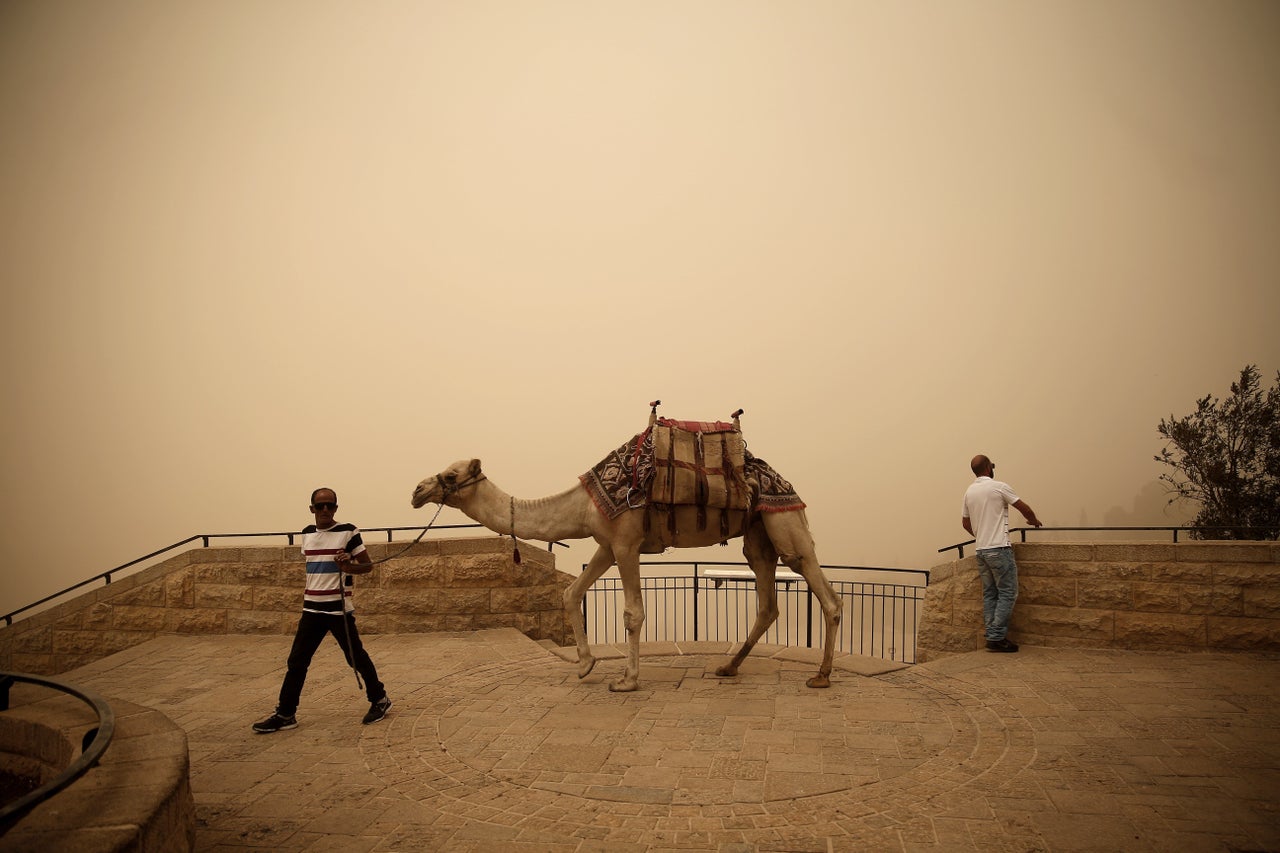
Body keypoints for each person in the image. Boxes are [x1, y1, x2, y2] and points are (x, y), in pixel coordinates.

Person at [253, 488, 391, 732]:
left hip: (338, 610)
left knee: (355, 658)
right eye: (320, 506)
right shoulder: (306, 534)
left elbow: (367, 566)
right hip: (311, 610)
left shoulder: (348, 531)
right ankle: (286, 714)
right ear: (312, 509)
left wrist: (347, 566)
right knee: (297, 662)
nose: (325, 510)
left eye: (330, 505)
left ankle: (380, 700)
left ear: (336, 508)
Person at [961, 455, 1042, 653]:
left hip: (981, 550)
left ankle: (991, 633)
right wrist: (1033, 521)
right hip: (999, 548)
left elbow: (965, 523)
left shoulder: (969, 492)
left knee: (990, 593)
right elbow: (1023, 507)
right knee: (1008, 592)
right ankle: (996, 637)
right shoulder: (999, 486)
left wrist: (981, 535)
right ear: (988, 468)